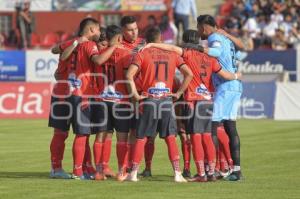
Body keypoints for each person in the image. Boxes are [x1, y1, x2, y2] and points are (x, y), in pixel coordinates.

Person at [144, 29, 241, 182]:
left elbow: (171, 48)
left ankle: (201, 174)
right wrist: (237, 75)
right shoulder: (210, 58)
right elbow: (226, 75)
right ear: (198, 42)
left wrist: (151, 44)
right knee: (208, 136)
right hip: (208, 101)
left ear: (185, 40)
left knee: (195, 137)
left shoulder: (187, 54)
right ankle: (211, 172)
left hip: (193, 101)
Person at [125, 27, 193, 182]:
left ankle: (133, 174)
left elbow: (129, 75)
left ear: (146, 41)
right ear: (161, 39)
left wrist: (135, 95)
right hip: (166, 101)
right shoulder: (173, 54)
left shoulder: (142, 53)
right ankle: (177, 174)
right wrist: (178, 93)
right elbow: (189, 74)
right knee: (170, 137)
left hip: (149, 100)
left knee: (141, 137)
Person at [197, 15, 243, 181]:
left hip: (225, 87)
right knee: (231, 127)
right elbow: (241, 52)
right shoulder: (226, 39)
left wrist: (199, 49)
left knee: (212, 127)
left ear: (204, 26)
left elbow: (215, 52)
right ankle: (236, 170)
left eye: (198, 27)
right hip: (235, 86)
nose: (198, 31)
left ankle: (214, 169)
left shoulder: (214, 37)